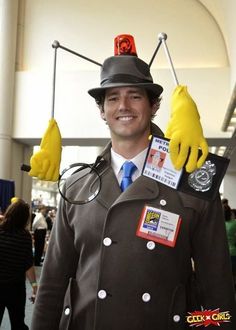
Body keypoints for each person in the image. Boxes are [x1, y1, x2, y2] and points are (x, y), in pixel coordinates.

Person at [31, 36, 236, 329]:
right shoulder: (76, 187)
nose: (123, 105)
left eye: (135, 96)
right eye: (112, 98)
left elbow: (218, 290)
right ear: (102, 111)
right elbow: (52, 283)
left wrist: (214, 326)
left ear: (153, 106)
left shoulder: (193, 184)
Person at [0, 199, 38, 330]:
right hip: (15, 288)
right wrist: (34, 287)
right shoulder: (25, 236)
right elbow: (28, 264)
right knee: (18, 324)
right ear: (25, 218)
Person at [224, 203, 236, 288]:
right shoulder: (234, 223)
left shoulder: (219, 224)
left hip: (222, 253)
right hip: (233, 252)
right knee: (234, 275)